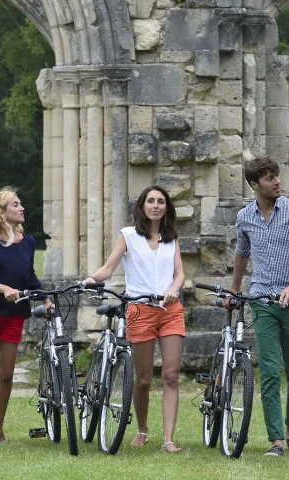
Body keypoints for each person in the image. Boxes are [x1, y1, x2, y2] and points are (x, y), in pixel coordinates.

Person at [83, 185, 185, 453]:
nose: (155, 205)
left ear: (166, 207)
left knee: (172, 376)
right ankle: (142, 428)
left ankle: (168, 439)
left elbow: (180, 275)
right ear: (141, 207)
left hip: (170, 310)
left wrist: (173, 290)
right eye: (150, 201)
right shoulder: (128, 235)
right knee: (142, 379)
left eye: (160, 201)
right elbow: (108, 267)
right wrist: (92, 279)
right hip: (139, 311)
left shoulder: (171, 237)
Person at [229, 156, 289, 457]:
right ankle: (276, 440)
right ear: (255, 184)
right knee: (268, 370)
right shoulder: (245, 217)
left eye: (276, 175)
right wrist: (235, 289)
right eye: (269, 178)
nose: (277, 181)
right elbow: (242, 253)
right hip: (262, 301)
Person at [0, 187, 51, 449]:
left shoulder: (28, 242)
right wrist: (5, 289)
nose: (21, 208)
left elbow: (30, 276)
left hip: (14, 314)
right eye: (15, 204)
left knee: (5, 374)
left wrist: (46, 299)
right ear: (2, 211)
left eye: (20, 204)